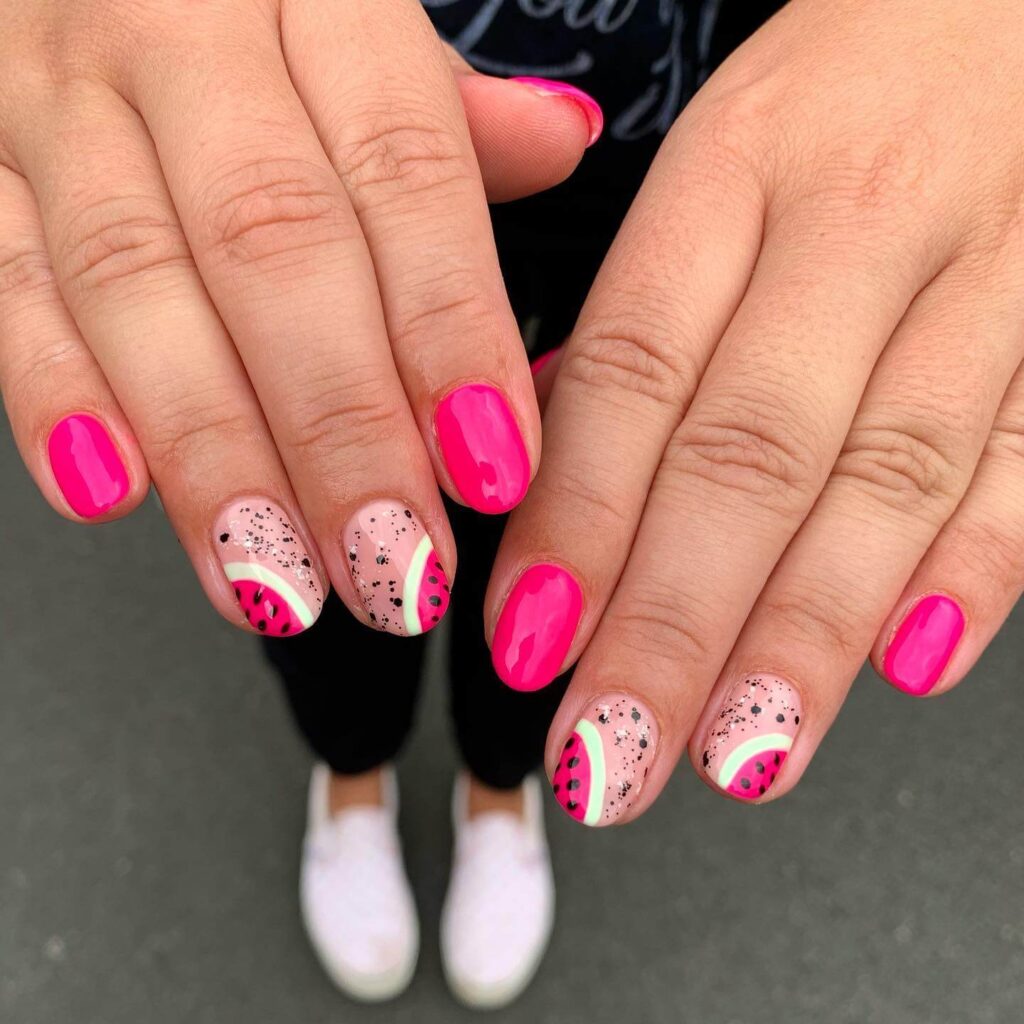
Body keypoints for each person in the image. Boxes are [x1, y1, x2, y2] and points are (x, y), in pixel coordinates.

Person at [2, 0, 1023, 1009]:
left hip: (736, 126)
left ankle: (501, 782)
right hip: (288, 78)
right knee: (314, 502)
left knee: (590, 554)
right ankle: (350, 768)